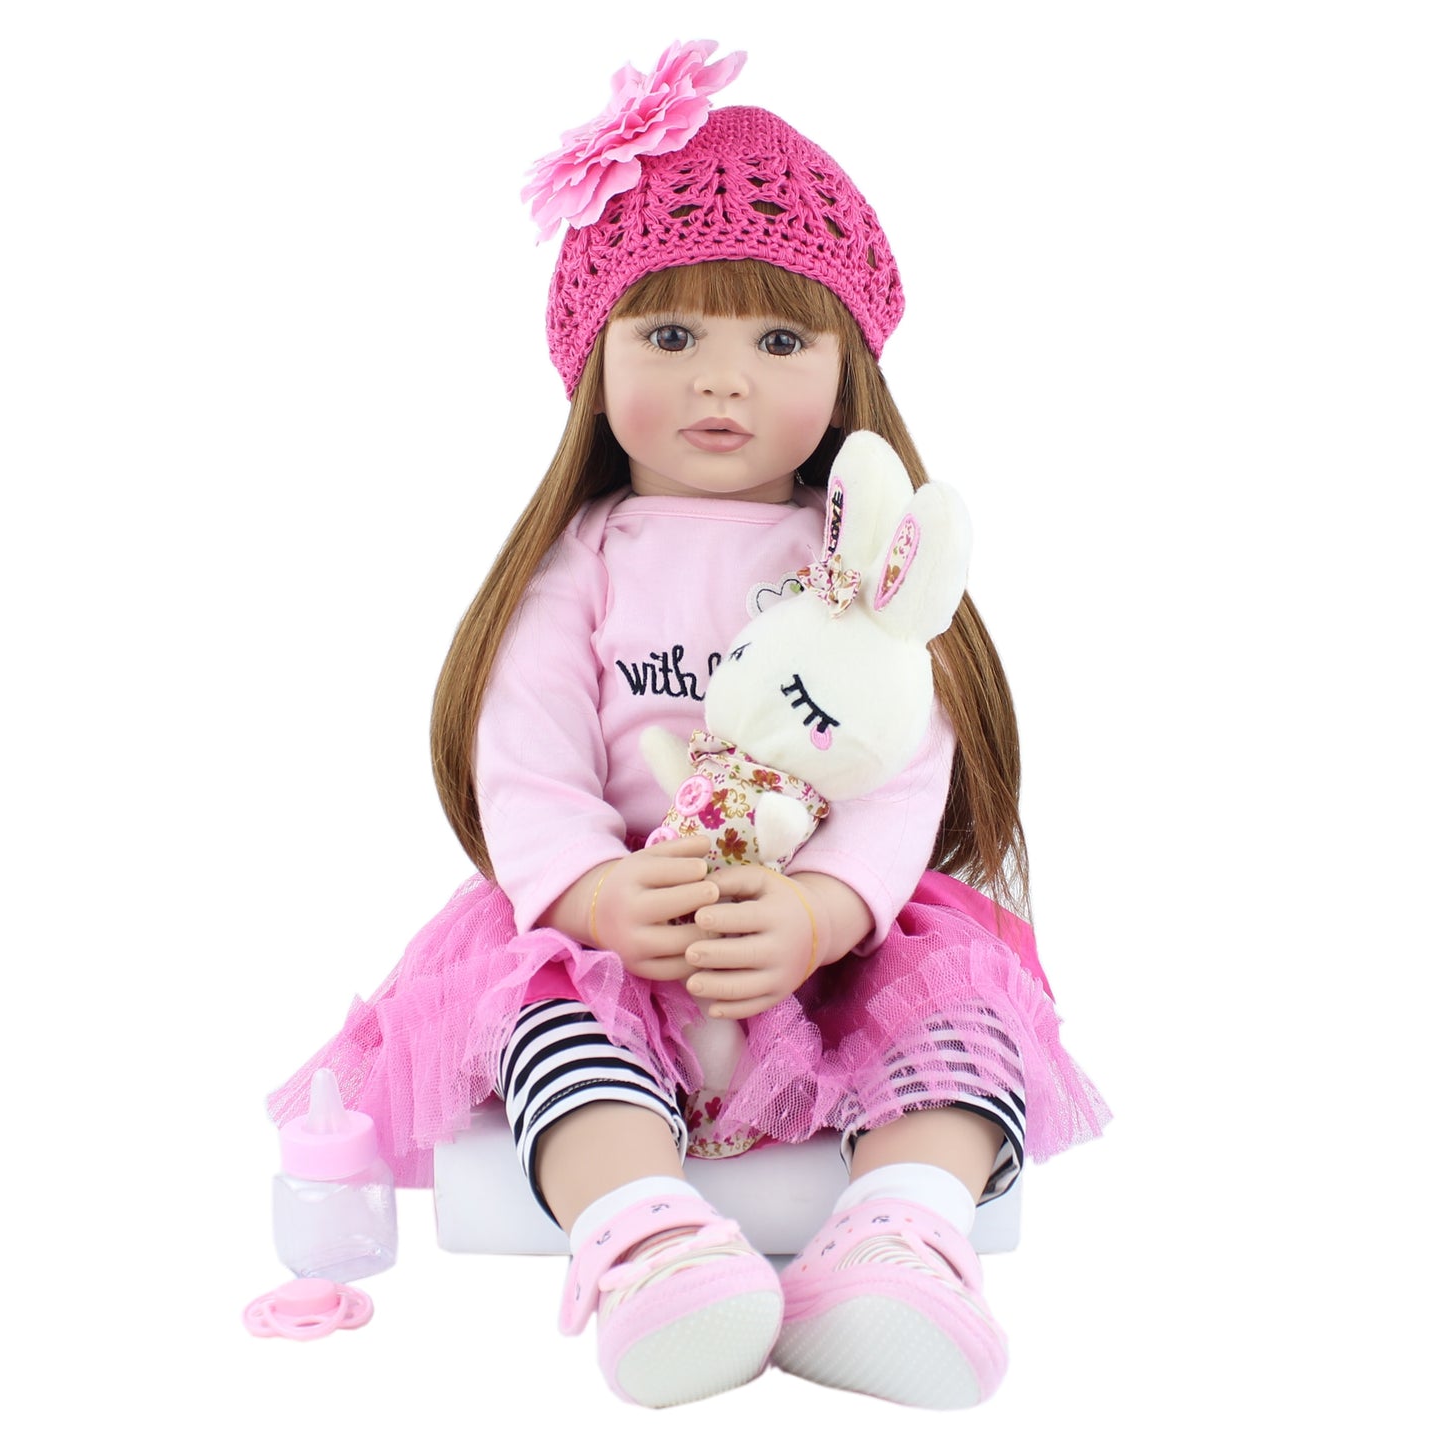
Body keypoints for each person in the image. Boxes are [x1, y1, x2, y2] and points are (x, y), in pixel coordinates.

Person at [268, 41, 1109, 1411]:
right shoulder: (585, 560)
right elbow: (527, 759)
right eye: (671, 338)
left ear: (848, 369)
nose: (724, 383)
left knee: (961, 1013)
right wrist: (598, 894)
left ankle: (903, 1234)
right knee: (556, 1028)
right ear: (593, 360)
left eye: (777, 342)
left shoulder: (859, 558)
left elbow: (902, 761)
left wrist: (826, 912)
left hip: (828, 937)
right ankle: (651, 1244)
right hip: (626, 924)